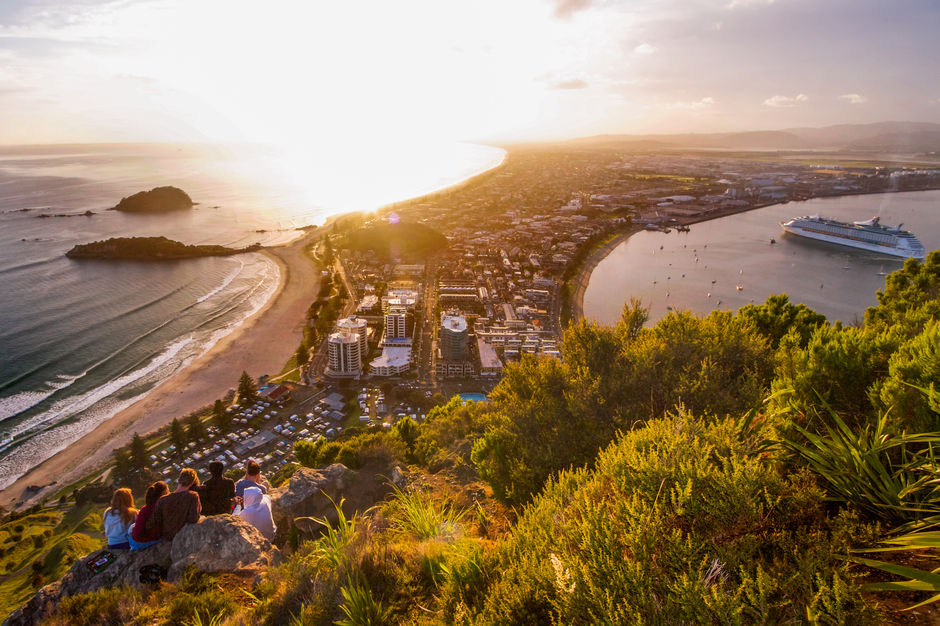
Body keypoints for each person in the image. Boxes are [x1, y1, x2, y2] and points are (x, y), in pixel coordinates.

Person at [148, 468, 201, 541]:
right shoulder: (193, 496)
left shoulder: (162, 500)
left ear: (178, 480)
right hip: (182, 536)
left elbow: (155, 520)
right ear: (192, 483)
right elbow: (193, 519)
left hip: (166, 537)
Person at [130, 481, 169, 550]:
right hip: (153, 539)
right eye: (168, 491)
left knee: (131, 528)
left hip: (141, 539)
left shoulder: (146, 509)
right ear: (164, 493)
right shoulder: (164, 506)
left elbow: (138, 531)